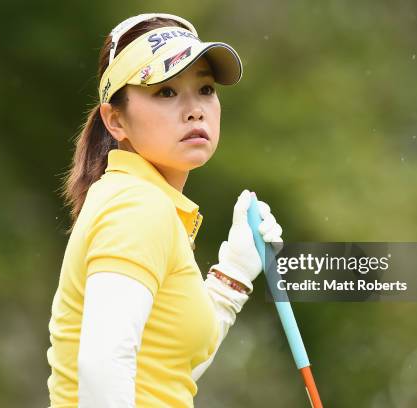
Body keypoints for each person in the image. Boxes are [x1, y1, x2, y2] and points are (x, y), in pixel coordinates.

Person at [46, 13, 284, 408]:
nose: (195, 110)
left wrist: (234, 275)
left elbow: (164, 375)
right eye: (166, 92)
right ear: (115, 119)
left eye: (205, 88)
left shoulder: (138, 200)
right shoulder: (136, 206)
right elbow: (102, 368)